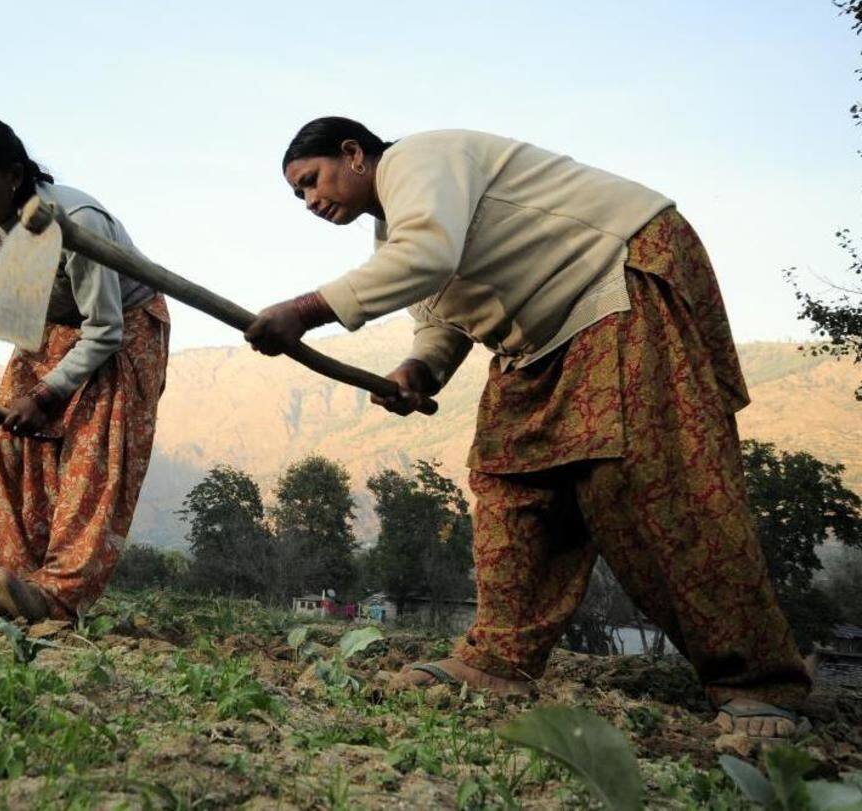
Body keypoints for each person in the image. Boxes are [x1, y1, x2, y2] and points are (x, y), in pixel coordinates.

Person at [244, 118, 811, 739]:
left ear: (354, 154)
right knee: (508, 479)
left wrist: (302, 311)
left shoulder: (419, 161)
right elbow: (444, 318)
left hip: (615, 276)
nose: (310, 201)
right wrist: (416, 371)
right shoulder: (395, 237)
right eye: (298, 195)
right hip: (538, 340)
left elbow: (426, 258)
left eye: (311, 180)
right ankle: (499, 659)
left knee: (652, 482)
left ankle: (757, 683)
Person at [0, 116, 169, 623]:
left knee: (92, 460)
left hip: (121, 329)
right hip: (45, 328)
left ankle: (58, 596)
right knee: (14, 444)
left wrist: (47, 395)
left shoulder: (75, 220)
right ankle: (19, 588)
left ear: (14, 175)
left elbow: (104, 330)